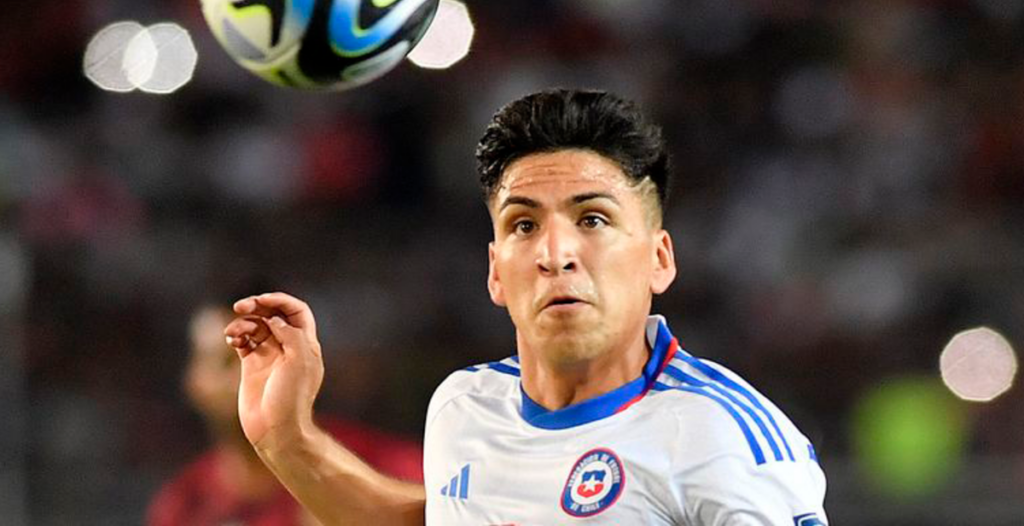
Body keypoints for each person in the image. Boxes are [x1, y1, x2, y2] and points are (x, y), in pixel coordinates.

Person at [224, 88, 829, 525]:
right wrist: (284, 438)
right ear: (494, 271)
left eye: (593, 219)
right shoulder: (464, 407)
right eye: (523, 225)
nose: (555, 252)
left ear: (659, 259)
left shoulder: (726, 441)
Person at [149, 304, 422, 526]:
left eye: (264, 355)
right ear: (194, 383)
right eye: (227, 361)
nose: (247, 377)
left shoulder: (388, 463)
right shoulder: (184, 504)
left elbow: (449, 512)